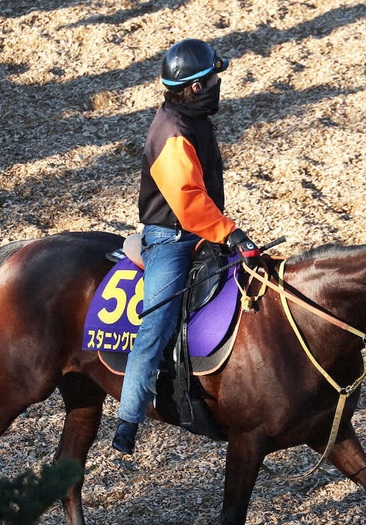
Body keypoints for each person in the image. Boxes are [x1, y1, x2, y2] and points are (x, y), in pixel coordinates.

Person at [112, 38, 261, 455]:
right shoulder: (173, 131)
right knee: (155, 324)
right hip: (172, 240)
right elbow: (188, 200)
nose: (217, 83)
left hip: (202, 230)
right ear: (194, 87)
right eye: (212, 77)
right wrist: (229, 232)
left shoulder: (193, 118)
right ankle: (128, 419)